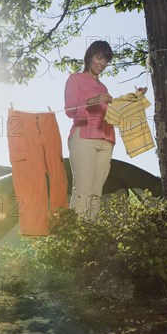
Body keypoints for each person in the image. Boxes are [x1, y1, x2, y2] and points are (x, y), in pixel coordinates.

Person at [64, 41, 147, 220]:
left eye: (106, 60)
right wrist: (93, 100)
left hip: (106, 140)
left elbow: (112, 112)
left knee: (96, 190)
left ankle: (90, 230)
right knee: (83, 186)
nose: (102, 63)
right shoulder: (75, 79)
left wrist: (133, 99)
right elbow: (70, 110)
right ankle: (75, 233)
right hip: (84, 137)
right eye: (99, 58)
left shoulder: (103, 88)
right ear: (90, 57)